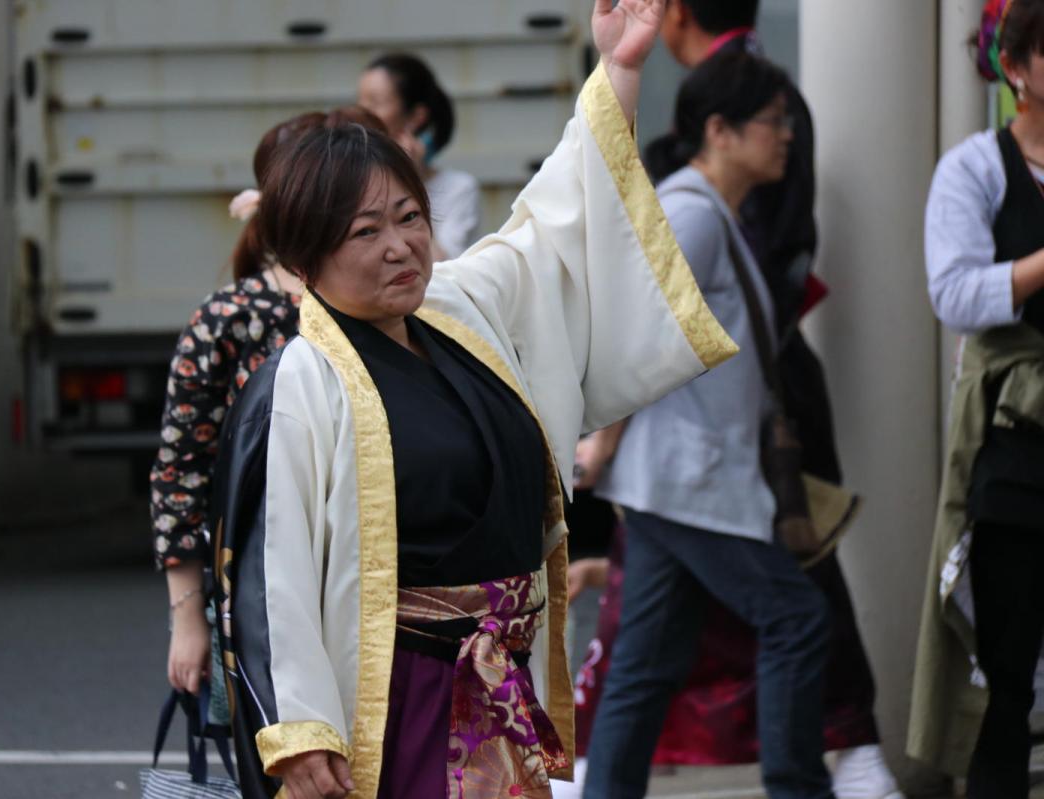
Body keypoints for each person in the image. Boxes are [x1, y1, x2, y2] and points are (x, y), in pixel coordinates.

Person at [208, 2, 740, 797]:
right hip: (399, 700)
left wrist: (619, 72)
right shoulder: (299, 381)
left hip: (497, 686)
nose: (401, 245)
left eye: (410, 216)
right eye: (365, 232)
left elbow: (555, 224)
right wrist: (300, 729)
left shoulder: (460, 308)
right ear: (306, 258)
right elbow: (272, 573)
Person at [571, 2, 904, 797]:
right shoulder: (694, 215)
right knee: (795, 618)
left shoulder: (704, 211)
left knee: (645, 666)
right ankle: (798, 786)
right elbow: (633, 334)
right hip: (687, 478)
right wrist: (605, 441)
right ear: (720, 130)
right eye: (770, 121)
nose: (785, 134)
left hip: (676, 479)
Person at [150, 108, 383, 699]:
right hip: (262, 593)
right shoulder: (227, 319)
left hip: (389, 591)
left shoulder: (397, 310)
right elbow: (181, 473)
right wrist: (187, 620)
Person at [909, 1, 1044, 796]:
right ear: (1016, 69)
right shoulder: (975, 167)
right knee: (1005, 673)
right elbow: (954, 292)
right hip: (1015, 443)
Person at [358, 52, 482, 259]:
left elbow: (442, 266)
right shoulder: (353, 181)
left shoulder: (459, 189)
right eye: (360, 102)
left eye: (375, 103)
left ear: (416, 117)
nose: (362, 113)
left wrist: (408, 182)